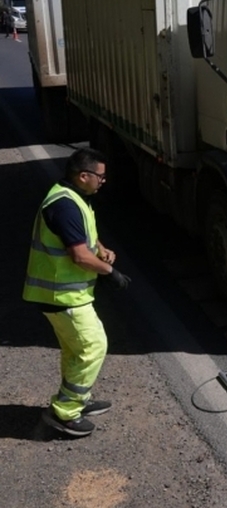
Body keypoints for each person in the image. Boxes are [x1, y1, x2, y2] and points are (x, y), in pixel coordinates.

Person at [23, 148, 132, 437]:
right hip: (61, 295)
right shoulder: (65, 205)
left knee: (75, 349)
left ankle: (77, 401)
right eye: (101, 176)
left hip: (66, 294)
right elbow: (80, 256)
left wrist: (102, 249)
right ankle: (64, 413)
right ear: (84, 176)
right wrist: (110, 272)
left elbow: (84, 238)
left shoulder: (73, 197)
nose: (103, 181)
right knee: (92, 346)